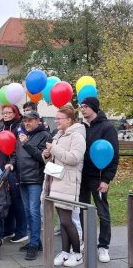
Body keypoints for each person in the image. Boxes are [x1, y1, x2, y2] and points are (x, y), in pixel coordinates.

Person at [42, 105, 86, 267]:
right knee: (62, 221)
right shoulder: (59, 135)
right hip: (56, 181)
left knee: (67, 221)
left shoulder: (77, 136)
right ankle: (66, 252)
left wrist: (54, 149)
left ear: (69, 120)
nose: (56, 121)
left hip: (68, 182)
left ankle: (78, 253)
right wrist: (46, 154)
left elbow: (74, 158)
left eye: (59, 118)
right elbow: (54, 159)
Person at [79, 97, 119, 263]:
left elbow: (113, 155)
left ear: (94, 108)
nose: (82, 109)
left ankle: (104, 246)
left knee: (102, 212)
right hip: (82, 177)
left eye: (85, 107)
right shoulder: (82, 128)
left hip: (99, 178)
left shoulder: (107, 128)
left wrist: (106, 179)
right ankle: (85, 240)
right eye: (81, 106)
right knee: (82, 210)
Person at [0, 104, 28, 243]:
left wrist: (12, 164)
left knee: (17, 201)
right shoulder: (1, 127)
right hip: (1, 168)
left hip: (14, 169)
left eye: (9, 112)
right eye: (4, 112)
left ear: (15, 113)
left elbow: (17, 150)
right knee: (5, 200)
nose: (6, 114)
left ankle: (21, 231)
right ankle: (9, 229)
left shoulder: (19, 127)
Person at [16, 110, 50, 260]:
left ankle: (34, 245)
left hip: (35, 179)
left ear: (38, 121)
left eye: (30, 120)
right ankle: (34, 240)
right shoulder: (24, 135)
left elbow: (42, 157)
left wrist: (26, 144)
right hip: (22, 178)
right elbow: (16, 155)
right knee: (28, 212)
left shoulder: (44, 135)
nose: (27, 123)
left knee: (34, 212)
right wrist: (11, 164)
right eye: (25, 121)